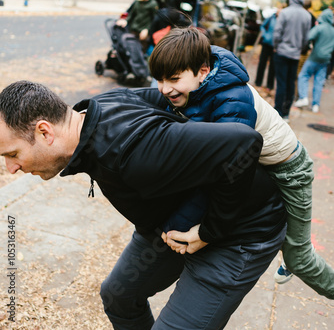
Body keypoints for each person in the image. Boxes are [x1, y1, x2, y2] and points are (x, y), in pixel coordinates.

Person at [0, 81, 287, 329]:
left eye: (12, 154)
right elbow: (168, 98)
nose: (10, 168)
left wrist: (210, 231)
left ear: (44, 132)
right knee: (118, 296)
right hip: (173, 222)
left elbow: (243, 143)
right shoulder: (97, 108)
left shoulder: (135, 152)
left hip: (240, 231)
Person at [149, 27, 334, 299]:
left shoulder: (234, 104)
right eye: (159, 79)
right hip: (260, 164)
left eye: (173, 79)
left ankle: (296, 255)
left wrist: (207, 231)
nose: (165, 88)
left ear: (202, 70)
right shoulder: (195, 84)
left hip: (289, 170)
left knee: (299, 258)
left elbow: (224, 175)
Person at [273, 0, 312, 122]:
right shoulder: (307, 15)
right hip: (295, 54)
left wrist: (276, 46)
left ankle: (277, 111)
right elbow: (306, 38)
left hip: (282, 52)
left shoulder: (284, 13)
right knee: (291, 83)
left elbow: (277, 32)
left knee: (281, 83)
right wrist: (301, 49)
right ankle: (286, 113)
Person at [295, 8, 334, 113]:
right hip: (326, 59)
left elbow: (308, 36)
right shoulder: (333, 30)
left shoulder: (320, 28)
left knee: (303, 75)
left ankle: (303, 97)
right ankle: (315, 105)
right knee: (319, 81)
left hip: (314, 57)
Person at [254, 9, 279, 94]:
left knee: (273, 66)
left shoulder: (283, 20)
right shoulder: (271, 18)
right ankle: (258, 83)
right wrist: (265, 35)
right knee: (262, 63)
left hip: (275, 46)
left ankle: (269, 86)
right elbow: (263, 26)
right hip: (266, 44)